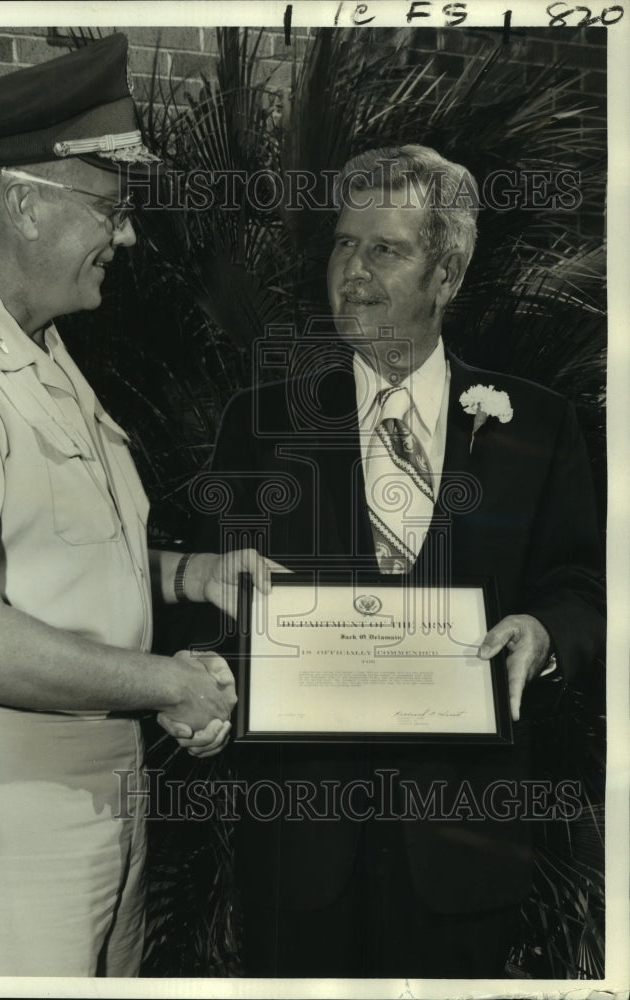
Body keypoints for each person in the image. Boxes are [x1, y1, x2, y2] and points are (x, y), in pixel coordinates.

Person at [0, 35, 270, 978]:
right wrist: (172, 683)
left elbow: (53, 554)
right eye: (110, 210)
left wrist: (188, 574)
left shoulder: (37, 348)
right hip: (1, 787)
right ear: (23, 204)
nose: (124, 237)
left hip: (86, 774)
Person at [189, 145, 605, 977]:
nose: (352, 270)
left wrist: (542, 633)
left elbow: (584, 587)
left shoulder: (537, 425)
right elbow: (208, 592)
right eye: (344, 245)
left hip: (465, 840)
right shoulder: (262, 421)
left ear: (445, 275)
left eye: (385, 249)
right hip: (298, 844)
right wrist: (201, 675)